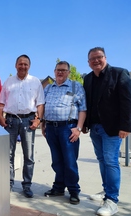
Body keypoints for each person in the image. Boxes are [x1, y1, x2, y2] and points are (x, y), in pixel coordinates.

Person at [83, 47, 131, 216]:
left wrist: (126, 126)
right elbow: (88, 103)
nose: (96, 61)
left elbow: (128, 101)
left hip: (112, 128)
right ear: (88, 62)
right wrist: (85, 124)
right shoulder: (88, 78)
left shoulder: (119, 73)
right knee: (102, 160)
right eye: (92, 59)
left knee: (111, 161)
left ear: (105, 57)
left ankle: (112, 200)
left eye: (99, 57)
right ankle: (106, 192)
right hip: (95, 127)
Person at [0, 54, 45, 198]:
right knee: (8, 154)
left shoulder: (36, 82)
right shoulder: (8, 82)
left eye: (25, 64)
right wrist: (0, 117)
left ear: (29, 66)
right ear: (15, 65)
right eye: (20, 64)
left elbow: (40, 103)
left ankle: (27, 185)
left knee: (29, 155)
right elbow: (1, 101)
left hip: (28, 121)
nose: (23, 66)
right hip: (10, 121)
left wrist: (38, 120)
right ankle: (8, 183)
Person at [42, 61, 86, 205]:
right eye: (58, 70)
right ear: (54, 71)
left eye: (63, 70)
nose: (60, 72)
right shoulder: (48, 88)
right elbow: (43, 106)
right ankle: (59, 187)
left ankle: (74, 190)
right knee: (57, 160)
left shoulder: (75, 86)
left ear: (68, 72)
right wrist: (43, 123)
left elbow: (83, 109)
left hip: (68, 128)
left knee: (69, 161)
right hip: (51, 128)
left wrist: (78, 128)